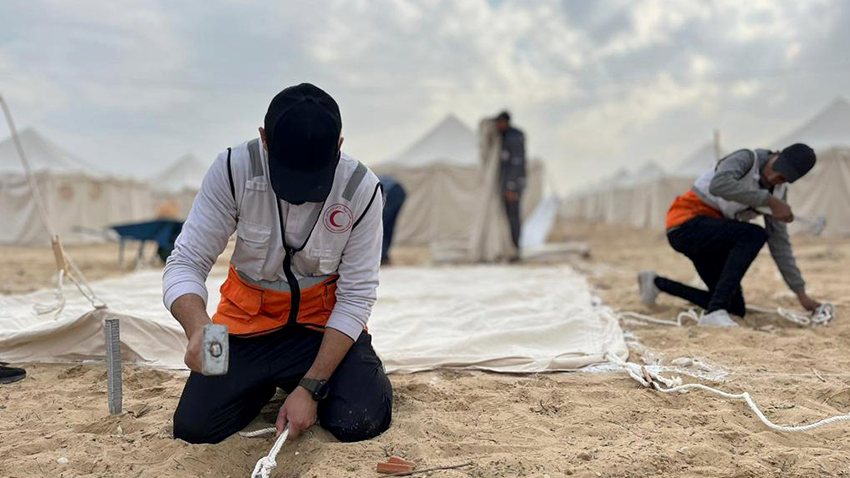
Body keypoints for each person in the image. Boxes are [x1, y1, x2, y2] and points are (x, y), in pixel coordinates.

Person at [163, 83, 392, 444]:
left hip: (320, 331)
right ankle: (264, 383)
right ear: (264, 139)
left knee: (360, 421)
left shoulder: (361, 189)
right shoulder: (232, 170)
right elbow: (186, 261)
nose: (299, 197)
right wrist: (199, 328)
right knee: (195, 428)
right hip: (245, 327)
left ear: (339, 146)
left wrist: (311, 387)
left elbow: (357, 296)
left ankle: (306, 380)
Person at [639, 144, 820, 326]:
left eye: (782, 178)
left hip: (713, 239)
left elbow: (779, 244)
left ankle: (656, 283)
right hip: (684, 225)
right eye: (775, 168)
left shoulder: (778, 194)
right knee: (754, 234)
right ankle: (714, 311)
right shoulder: (746, 159)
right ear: (775, 154)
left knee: (735, 307)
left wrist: (801, 294)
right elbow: (720, 184)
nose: (774, 178)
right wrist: (769, 201)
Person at [495, 111, 526, 258]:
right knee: (510, 216)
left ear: (506, 122)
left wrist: (511, 187)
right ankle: (513, 247)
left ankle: (516, 248)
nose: (498, 126)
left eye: (500, 122)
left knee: (513, 216)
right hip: (510, 183)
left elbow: (516, 163)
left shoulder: (513, 138)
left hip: (513, 185)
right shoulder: (506, 136)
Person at [377, 175, 406, 266]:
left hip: (391, 192)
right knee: (388, 226)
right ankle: (384, 255)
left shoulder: (363, 181)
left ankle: (383, 257)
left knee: (380, 226)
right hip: (400, 191)